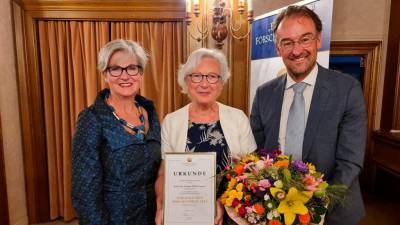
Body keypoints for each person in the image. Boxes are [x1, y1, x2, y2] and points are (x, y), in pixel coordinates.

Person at [250, 5, 367, 225]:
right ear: (278, 48)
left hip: (332, 213)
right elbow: (256, 154)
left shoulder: (347, 89)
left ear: (318, 40)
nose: (296, 50)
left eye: (305, 39)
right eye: (287, 42)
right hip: (275, 211)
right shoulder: (264, 94)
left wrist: (314, 209)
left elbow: (350, 162)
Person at [155, 48, 257, 225]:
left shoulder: (238, 118)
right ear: (186, 81)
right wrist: (161, 207)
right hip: (186, 215)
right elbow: (164, 173)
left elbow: (252, 171)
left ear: (221, 82)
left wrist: (222, 201)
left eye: (212, 76)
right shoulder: (171, 121)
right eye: (197, 76)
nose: (204, 84)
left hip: (233, 214)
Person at [72, 39, 161, 225]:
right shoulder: (92, 119)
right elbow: (85, 189)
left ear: (141, 73)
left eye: (132, 68)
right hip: (114, 219)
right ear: (105, 74)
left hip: (152, 217)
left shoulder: (149, 113)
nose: (125, 76)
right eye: (115, 69)